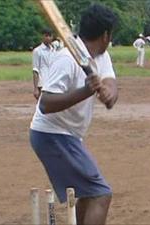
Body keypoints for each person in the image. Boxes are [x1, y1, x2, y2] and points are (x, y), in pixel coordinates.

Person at [29, 4, 118, 225]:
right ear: (105, 35)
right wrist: (85, 91)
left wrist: (108, 94)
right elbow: (46, 103)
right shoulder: (67, 58)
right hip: (52, 134)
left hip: (68, 136)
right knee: (100, 193)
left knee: (89, 192)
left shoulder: (100, 56)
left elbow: (110, 85)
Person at [32, 28, 54, 100]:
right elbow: (35, 70)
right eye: (46, 36)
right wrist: (35, 88)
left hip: (53, 82)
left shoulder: (53, 50)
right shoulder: (37, 51)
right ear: (42, 36)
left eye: (50, 36)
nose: (48, 38)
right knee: (43, 106)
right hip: (42, 83)